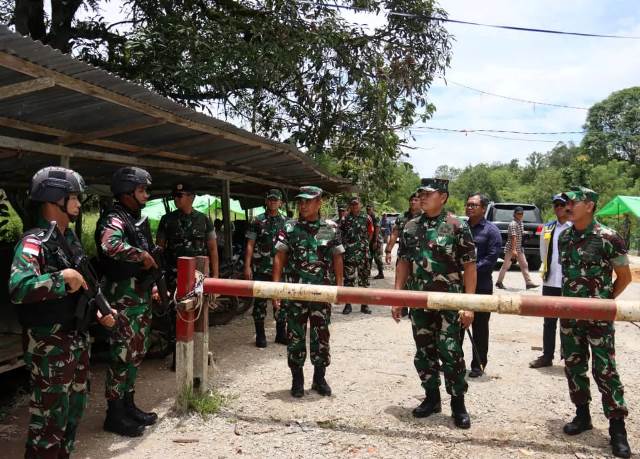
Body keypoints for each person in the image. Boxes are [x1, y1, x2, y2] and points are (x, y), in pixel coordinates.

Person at [9, 167, 115, 458]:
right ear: (55, 198)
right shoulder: (35, 243)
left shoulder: (69, 241)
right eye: (74, 198)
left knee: (72, 413)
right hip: (49, 348)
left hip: (75, 341)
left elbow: (86, 288)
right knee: (49, 421)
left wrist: (100, 310)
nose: (80, 204)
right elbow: (18, 287)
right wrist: (61, 279)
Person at [391, 178, 476, 429]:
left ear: (443, 197)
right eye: (421, 194)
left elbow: (470, 267)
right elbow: (403, 263)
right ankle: (431, 398)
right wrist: (397, 298)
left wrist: (469, 304)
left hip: (449, 302)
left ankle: (458, 404)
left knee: (450, 351)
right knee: (424, 351)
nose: (423, 197)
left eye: (428, 194)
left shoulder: (457, 226)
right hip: (419, 301)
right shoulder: (410, 227)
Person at [558, 186, 632, 458]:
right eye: (565, 202)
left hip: (598, 318)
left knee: (605, 368)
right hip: (569, 316)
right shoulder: (564, 237)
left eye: (572, 202)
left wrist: (604, 302)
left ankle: (617, 428)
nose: (567, 206)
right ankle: (582, 415)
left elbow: (625, 277)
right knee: (574, 365)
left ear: (589, 206)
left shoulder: (608, 237)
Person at [95, 167, 158, 437]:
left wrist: (152, 281)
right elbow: (110, 245)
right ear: (127, 192)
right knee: (121, 355)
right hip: (122, 299)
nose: (145, 195)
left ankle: (128, 404)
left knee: (134, 354)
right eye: (142, 190)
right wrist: (141, 255)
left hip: (139, 298)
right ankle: (114, 414)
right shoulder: (114, 218)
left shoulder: (134, 219)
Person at [272, 186, 344, 398]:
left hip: (322, 293)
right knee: (295, 334)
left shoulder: (330, 228)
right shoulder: (290, 227)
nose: (303, 205)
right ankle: (297, 379)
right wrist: (276, 289)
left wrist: (339, 287)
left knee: (320, 335)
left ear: (319, 202)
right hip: (295, 292)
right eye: (300, 201)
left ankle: (319, 378)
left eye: (308, 201)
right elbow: (279, 258)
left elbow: (337, 257)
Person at [156, 182, 219, 367]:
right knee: (175, 316)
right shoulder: (167, 220)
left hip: (197, 277)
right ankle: (179, 358)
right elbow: (159, 249)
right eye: (174, 195)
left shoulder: (204, 220)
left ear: (191, 197)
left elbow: (213, 249)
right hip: (173, 277)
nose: (176, 198)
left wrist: (215, 277)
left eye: (180, 195)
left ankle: (198, 358)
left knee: (200, 314)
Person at [459, 192, 501, 377]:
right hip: (459, 286)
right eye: (467, 204)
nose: (469, 207)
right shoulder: (460, 228)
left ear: (483, 208)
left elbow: (491, 259)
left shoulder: (491, 231)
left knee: (480, 327)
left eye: (473, 205)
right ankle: (455, 362)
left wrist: (469, 271)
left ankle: (478, 364)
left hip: (482, 286)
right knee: (456, 325)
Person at [529, 194, 571, 369]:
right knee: (549, 322)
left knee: (569, 322)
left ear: (568, 206)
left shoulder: (575, 228)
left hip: (569, 282)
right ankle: (547, 356)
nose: (558, 207)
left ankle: (570, 358)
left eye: (562, 204)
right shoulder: (548, 227)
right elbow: (543, 251)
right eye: (556, 205)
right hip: (550, 281)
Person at [243, 189, 288, 347]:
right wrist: (247, 266)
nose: (273, 202)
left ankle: (281, 334)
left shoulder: (286, 222)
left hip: (281, 270)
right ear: (266, 201)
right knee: (260, 304)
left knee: (281, 303)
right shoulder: (257, 221)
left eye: (276, 200)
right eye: (270, 199)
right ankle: (260, 336)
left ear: (280, 202)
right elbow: (250, 244)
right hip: (261, 269)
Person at [339, 197, 372, 314]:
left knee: (364, 280)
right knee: (349, 280)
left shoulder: (366, 218)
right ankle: (348, 305)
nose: (354, 207)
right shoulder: (345, 219)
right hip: (349, 255)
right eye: (352, 205)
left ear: (360, 205)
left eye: (356, 204)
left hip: (363, 254)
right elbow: (340, 234)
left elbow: (370, 233)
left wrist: (365, 245)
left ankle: (365, 305)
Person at [495, 206, 538, 290]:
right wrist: (514, 250)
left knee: (524, 264)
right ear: (514, 214)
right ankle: (499, 282)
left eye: (521, 214)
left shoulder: (520, 223)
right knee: (506, 266)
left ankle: (528, 283)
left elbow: (520, 234)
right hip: (512, 248)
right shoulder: (513, 224)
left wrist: (526, 235)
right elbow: (513, 237)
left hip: (519, 248)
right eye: (518, 213)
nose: (520, 215)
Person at [385, 192, 421, 265]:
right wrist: (388, 252)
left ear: (421, 202)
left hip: (420, 258)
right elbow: (394, 235)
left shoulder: (425, 217)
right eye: (411, 200)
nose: (413, 202)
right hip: (403, 256)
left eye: (416, 200)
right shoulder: (402, 217)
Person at [366, 204, 385, 279]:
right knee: (369, 257)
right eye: (367, 209)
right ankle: (368, 273)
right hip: (370, 240)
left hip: (377, 240)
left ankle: (381, 273)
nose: (368, 211)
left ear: (373, 209)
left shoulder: (375, 217)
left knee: (377, 257)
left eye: (370, 209)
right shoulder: (367, 217)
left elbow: (377, 228)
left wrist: (375, 241)